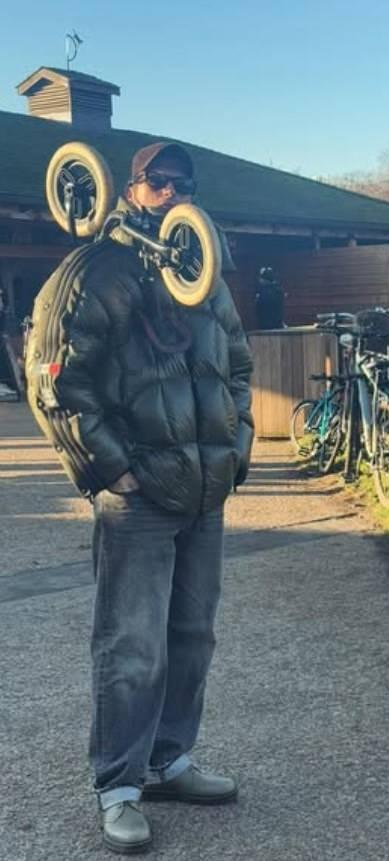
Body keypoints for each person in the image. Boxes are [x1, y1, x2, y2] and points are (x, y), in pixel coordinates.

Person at [25, 142, 254, 854]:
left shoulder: (200, 270)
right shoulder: (97, 270)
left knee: (192, 636)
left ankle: (168, 761)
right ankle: (118, 785)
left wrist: (237, 448)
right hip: (140, 497)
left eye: (184, 181)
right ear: (131, 188)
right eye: (159, 180)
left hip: (204, 492)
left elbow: (238, 366)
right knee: (132, 646)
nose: (172, 190)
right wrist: (112, 470)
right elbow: (55, 380)